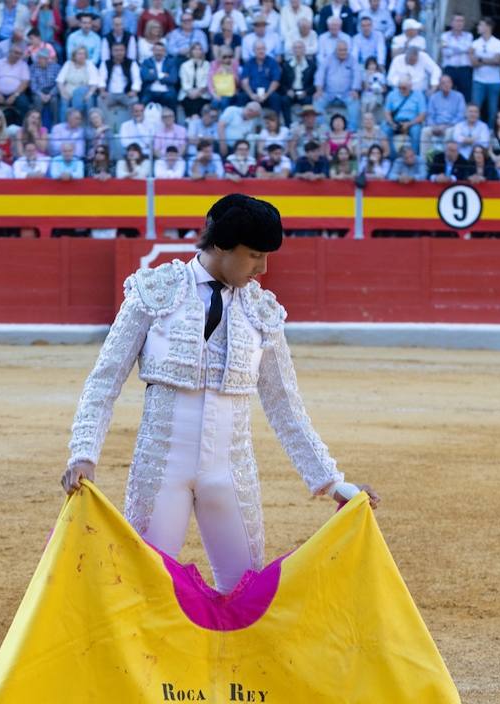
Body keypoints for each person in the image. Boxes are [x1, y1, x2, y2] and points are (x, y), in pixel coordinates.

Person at [61, 194, 378, 595]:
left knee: (246, 594)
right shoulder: (154, 291)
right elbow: (104, 380)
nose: (262, 269)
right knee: (145, 592)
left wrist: (333, 483)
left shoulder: (262, 312)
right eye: (254, 255)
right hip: (160, 470)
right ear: (222, 245)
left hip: (231, 474)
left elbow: (286, 407)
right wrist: (84, 453)